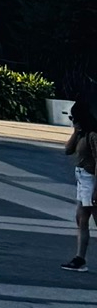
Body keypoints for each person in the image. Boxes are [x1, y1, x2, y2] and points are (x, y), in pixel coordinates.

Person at [64, 98, 95, 272]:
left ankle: (80, 258)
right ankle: (79, 257)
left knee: (85, 218)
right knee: (81, 219)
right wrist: (75, 133)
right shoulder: (81, 134)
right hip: (82, 178)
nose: (72, 122)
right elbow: (68, 150)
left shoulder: (92, 135)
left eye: (73, 118)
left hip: (91, 178)